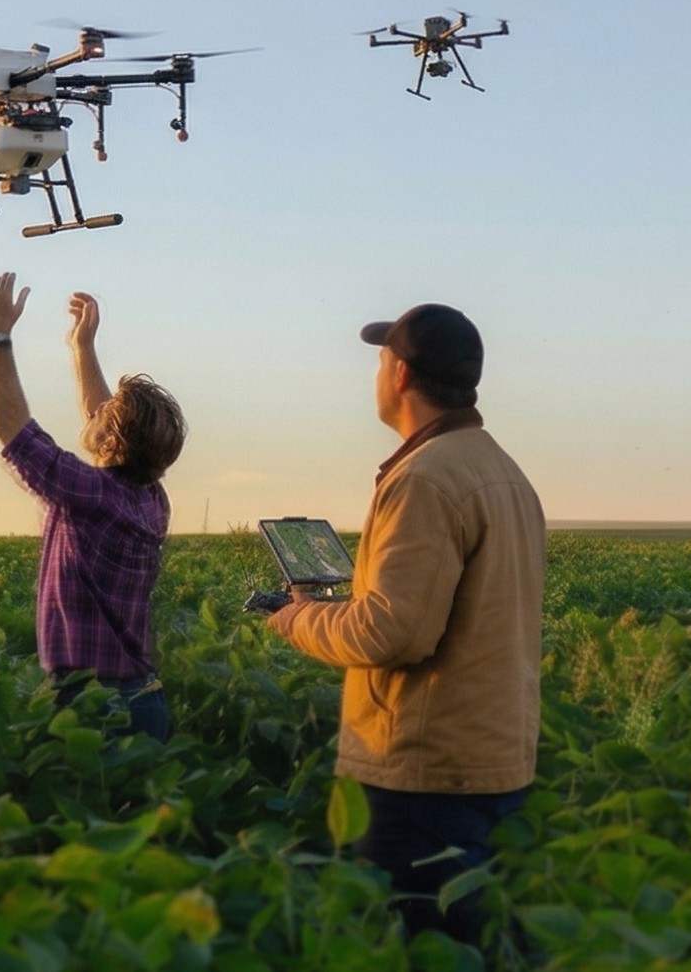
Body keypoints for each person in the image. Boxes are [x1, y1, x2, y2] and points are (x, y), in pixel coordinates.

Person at [267, 303, 544, 944]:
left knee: (417, 947)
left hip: (423, 775)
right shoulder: (501, 470)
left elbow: (390, 634)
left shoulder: (425, 479)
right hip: (495, 761)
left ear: (398, 375)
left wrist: (295, 616)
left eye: (381, 358)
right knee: (480, 947)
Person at [0, 271, 184, 742]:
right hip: (144, 700)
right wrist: (82, 348)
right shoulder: (151, 498)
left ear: (111, 440)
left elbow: (8, 423)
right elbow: (103, 420)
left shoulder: (89, 494)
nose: (95, 410)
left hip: (93, 705)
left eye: (106, 414)